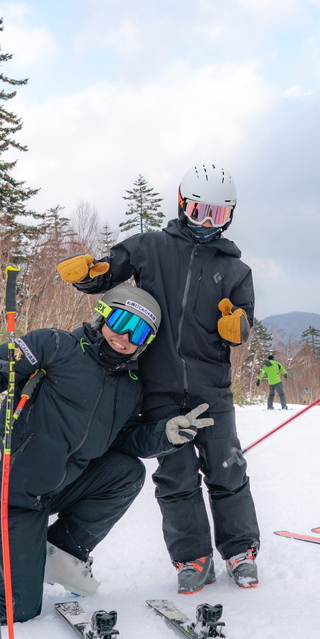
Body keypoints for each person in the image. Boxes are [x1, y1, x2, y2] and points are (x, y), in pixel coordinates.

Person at [0, 285, 214, 623]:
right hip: (5, 492)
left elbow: (124, 440)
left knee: (126, 472)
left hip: (53, 490)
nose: (125, 336)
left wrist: (164, 434)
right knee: (12, 608)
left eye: (140, 331)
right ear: (102, 316)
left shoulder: (131, 385)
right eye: (120, 320)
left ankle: (61, 550)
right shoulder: (54, 346)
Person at [57, 164, 259, 594]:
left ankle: (241, 549)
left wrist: (236, 326)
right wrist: (91, 274)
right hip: (159, 386)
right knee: (176, 474)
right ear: (183, 205)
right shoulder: (150, 247)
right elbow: (108, 271)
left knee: (226, 467)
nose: (208, 223)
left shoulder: (236, 270)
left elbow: (244, 329)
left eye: (218, 215)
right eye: (201, 211)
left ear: (230, 216)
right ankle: (193, 557)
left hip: (212, 388)